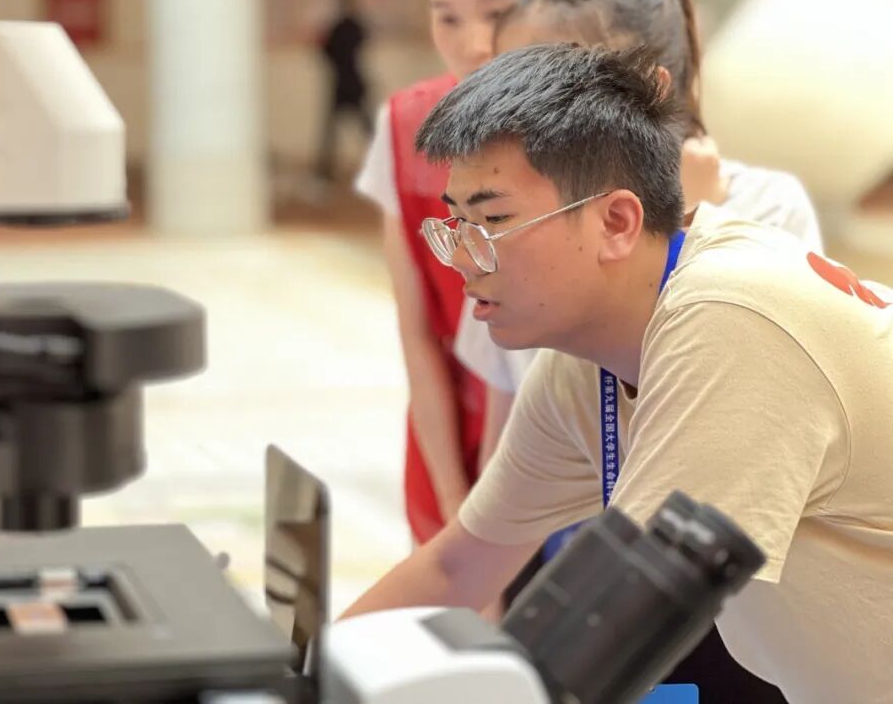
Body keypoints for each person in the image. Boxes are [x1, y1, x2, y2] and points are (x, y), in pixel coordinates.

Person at [344, 43, 893, 704]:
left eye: (491, 222)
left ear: (616, 222)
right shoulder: (588, 360)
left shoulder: (726, 318)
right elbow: (457, 566)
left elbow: (604, 636)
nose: (463, 259)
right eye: (454, 224)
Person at [458, 0, 823, 474]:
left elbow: (738, 401)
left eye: (551, 84)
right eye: (507, 80)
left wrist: (687, 224)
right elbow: (505, 432)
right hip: (556, 536)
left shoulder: (763, 207)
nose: (514, 112)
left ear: (649, 89)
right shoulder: (504, 224)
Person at [355, 0, 558, 544]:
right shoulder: (407, 127)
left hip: (573, 455)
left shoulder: (589, 131)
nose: (473, 45)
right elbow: (418, 332)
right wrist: (453, 501)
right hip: (456, 442)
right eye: (447, 19)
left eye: (497, 15)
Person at [315, 0, 373, 183]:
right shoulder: (347, 23)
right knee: (354, 131)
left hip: (346, 82)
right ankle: (323, 172)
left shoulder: (344, 24)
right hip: (349, 82)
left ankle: (324, 172)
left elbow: (325, 50)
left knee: (342, 131)